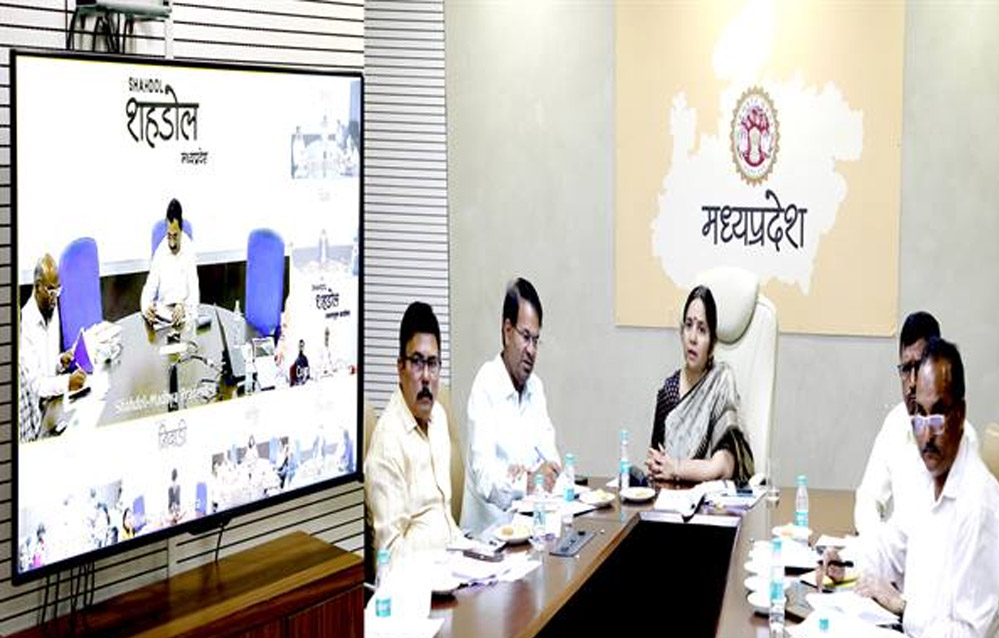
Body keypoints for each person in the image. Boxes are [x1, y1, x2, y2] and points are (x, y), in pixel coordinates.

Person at [820, 338, 999, 636]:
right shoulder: (929, 479)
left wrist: (903, 608)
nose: (926, 433)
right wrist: (846, 562)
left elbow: (967, 632)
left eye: (937, 415)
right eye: (920, 415)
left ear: (960, 414)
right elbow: (892, 548)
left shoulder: (978, 505)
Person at [854, 311, 978, 534]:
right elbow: (869, 497)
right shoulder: (896, 422)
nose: (911, 383)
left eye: (918, 367)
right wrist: (874, 543)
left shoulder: (961, 437)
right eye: (905, 369)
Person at [461, 278, 561, 534]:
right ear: (507, 331)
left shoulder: (535, 388)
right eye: (525, 337)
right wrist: (526, 481)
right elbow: (485, 478)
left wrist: (531, 475)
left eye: (536, 340)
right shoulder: (485, 385)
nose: (531, 350)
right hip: (488, 538)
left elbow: (552, 464)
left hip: (529, 529)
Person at [364, 301, 461, 557]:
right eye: (417, 362)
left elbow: (446, 520)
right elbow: (389, 554)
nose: (426, 376)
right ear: (400, 368)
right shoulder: (388, 442)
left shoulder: (439, 417)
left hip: (454, 563)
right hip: (420, 578)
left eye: (433, 363)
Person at [644, 286, 754, 485]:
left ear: (712, 342)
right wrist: (657, 466)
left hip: (712, 500)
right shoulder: (668, 392)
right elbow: (656, 463)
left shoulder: (722, 382)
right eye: (688, 325)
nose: (692, 338)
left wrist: (676, 468)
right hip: (671, 498)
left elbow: (724, 467)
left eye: (702, 329)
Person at [20, 254, 87, 408]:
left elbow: (47, 368)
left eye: (58, 289)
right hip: (37, 410)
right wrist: (67, 382)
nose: (55, 298)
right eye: (50, 290)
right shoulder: (25, 324)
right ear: (38, 287)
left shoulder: (51, 308)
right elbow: (36, 385)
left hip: (55, 398)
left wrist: (60, 361)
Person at [141, 199, 199, 327]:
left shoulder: (189, 249)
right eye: (169, 236)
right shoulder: (160, 251)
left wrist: (183, 306)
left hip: (184, 317)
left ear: (181, 231)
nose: (172, 243)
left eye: (175, 236)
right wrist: (147, 309)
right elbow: (149, 289)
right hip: (163, 317)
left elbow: (194, 294)